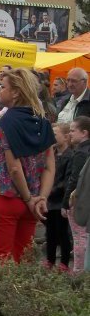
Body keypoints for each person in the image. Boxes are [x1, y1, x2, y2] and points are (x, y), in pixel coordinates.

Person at [0, 69, 56, 264]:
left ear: (16, 92)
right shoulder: (43, 121)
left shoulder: (8, 121)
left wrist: (27, 198)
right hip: (34, 200)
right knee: (24, 259)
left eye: (3, 87)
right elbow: (50, 167)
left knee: (1, 259)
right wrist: (41, 197)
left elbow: (14, 167)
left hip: (8, 196)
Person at [45, 122, 73, 271]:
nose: (53, 137)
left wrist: (51, 189)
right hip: (50, 200)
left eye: (55, 134)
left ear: (66, 137)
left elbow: (66, 180)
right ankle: (49, 259)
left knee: (62, 233)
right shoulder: (52, 154)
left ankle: (64, 262)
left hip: (60, 200)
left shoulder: (70, 156)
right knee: (50, 232)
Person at [66, 117, 90, 274]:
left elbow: (76, 180)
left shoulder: (82, 152)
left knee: (80, 239)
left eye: (73, 130)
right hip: (80, 201)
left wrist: (65, 202)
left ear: (84, 133)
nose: (70, 134)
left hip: (79, 204)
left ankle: (79, 272)